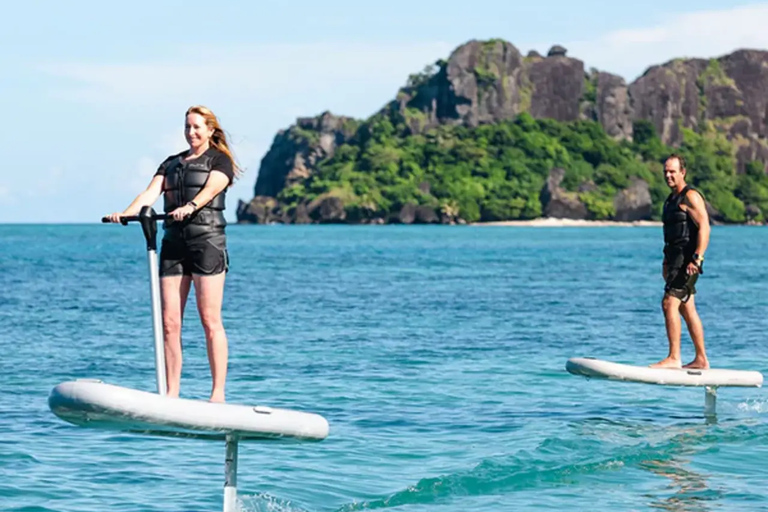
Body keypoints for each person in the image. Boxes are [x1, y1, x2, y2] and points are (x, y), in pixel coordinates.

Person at [105, 105, 240, 402]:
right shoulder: (171, 163)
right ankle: (172, 393)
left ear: (210, 130)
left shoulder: (220, 161)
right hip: (173, 246)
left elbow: (211, 189)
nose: (191, 132)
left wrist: (190, 207)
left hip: (207, 244)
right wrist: (126, 213)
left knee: (209, 319)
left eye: (196, 127)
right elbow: (150, 194)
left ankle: (217, 393)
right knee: (169, 323)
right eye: (187, 127)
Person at [650, 153, 711, 370]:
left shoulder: (690, 196)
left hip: (689, 262)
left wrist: (698, 257)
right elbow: (672, 234)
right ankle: (701, 359)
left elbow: (704, 226)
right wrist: (666, 262)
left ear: (682, 172)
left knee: (669, 303)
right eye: (665, 171)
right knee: (687, 308)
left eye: (672, 171)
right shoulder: (670, 200)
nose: (668, 175)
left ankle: (674, 357)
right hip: (676, 262)